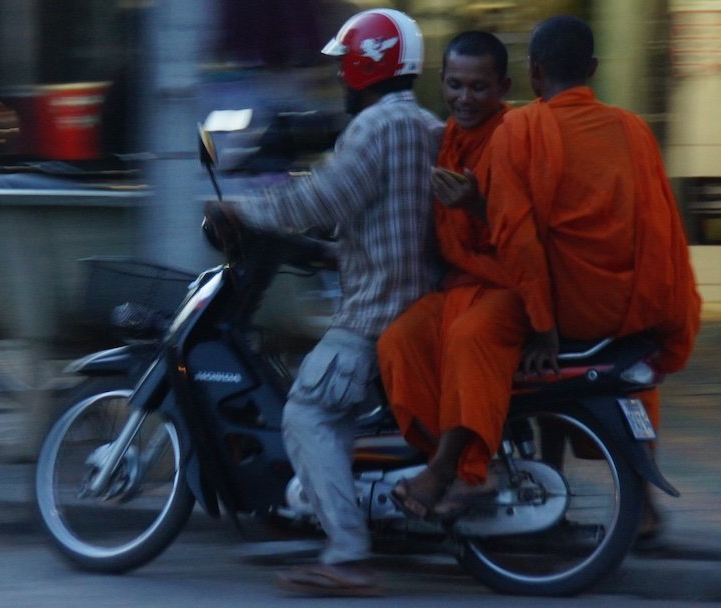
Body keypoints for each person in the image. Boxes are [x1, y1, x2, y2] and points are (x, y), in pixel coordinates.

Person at [216, 8, 443, 596]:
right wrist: (327, 250)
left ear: (371, 64)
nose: (341, 76)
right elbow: (380, 217)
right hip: (416, 302)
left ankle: (346, 555)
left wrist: (246, 209)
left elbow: (320, 196)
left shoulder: (375, 128)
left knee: (308, 412)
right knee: (330, 407)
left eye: (346, 64)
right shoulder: (423, 125)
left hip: (376, 315)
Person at [480, 15, 701, 531]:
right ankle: (643, 504)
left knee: (505, 353)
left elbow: (517, 239)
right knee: (632, 378)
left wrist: (543, 323)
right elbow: (662, 224)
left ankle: (527, 481)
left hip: (565, 310)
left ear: (533, 73)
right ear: (594, 69)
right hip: (634, 306)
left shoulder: (519, 127)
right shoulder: (634, 129)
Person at [376, 31, 525, 520]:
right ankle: (459, 464)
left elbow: (530, 230)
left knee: (467, 337)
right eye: (456, 85)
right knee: (399, 338)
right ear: (441, 81)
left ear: (502, 87)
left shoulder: (516, 137)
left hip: (512, 284)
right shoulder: (446, 138)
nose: (465, 97)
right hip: (463, 282)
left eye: (479, 88)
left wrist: (476, 205)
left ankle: (451, 471)